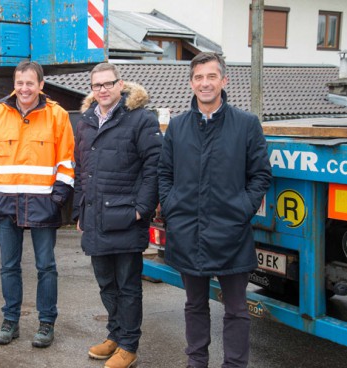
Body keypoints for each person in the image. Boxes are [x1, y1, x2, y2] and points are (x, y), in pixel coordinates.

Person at [158, 52, 272, 368]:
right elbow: (164, 173)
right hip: (187, 232)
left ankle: (234, 364)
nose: (205, 83)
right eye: (198, 77)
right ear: (191, 83)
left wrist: (242, 210)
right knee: (194, 304)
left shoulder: (246, 124)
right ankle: (197, 361)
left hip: (232, 232)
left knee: (236, 308)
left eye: (211, 77)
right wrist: (172, 208)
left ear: (224, 81)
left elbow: (261, 174)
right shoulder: (178, 126)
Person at [0, 61, 75, 348]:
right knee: (8, 267)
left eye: (30, 83)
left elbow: (67, 161)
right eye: (20, 83)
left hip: (44, 203)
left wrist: (57, 198)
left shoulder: (57, 115)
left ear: (41, 85)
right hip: (5, 204)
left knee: (46, 267)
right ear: (14, 84)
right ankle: (11, 322)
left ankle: (46, 324)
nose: (24, 88)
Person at [72, 62, 162, 368]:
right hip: (95, 217)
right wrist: (79, 211)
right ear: (92, 88)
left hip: (126, 217)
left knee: (128, 285)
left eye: (108, 84)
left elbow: (155, 167)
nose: (103, 90)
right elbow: (79, 170)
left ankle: (129, 345)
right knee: (106, 283)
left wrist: (141, 210)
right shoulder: (85, 122)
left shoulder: (140, 119)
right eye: (97, 85)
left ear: (120, 84)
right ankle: (115, 333)